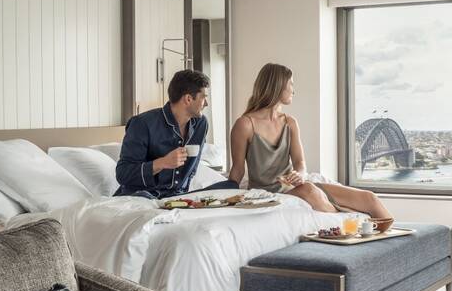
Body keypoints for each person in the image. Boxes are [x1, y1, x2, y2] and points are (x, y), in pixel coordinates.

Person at [228, 63, 392, 218]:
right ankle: (349, 218)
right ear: (277, 87)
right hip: (271, 192)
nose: (294, 90)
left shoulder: (290, 123)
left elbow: (300, 163)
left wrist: (298, 175)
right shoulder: (245, 125)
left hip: (297, 186)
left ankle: (396, 241)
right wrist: (226, 197)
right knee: (310, 191)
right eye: (291, 84)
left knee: (369, 199)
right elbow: (237, 170)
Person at [115, 69, 238, 199]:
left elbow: (191, 171)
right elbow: (123, 174)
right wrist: (162, 163)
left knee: (231, 186)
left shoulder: (200, 124)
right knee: (145, 197)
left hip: (176, 197)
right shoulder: (142, 124)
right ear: (188, 99)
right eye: (204, 98)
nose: (206, 104)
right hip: (144, 195)